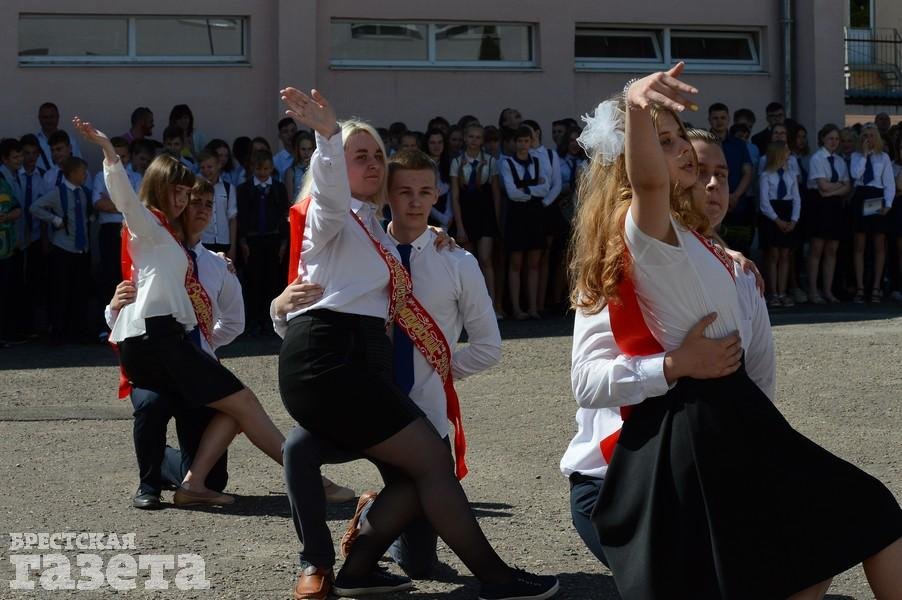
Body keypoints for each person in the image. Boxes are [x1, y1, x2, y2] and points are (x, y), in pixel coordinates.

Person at [572, 64, 901, 599]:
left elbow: (757, 361)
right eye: (663, 142)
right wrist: (634, 103)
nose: (682, 151)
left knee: (828, 538)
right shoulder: (648, 227)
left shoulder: (697, 242)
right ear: (631, 162)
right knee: (857, 518)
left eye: (678, 137)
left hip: (737, 411)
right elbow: (650, 184)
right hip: (703, 420)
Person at [274, 87, 558, 599]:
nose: (372, 163)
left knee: (420, 545)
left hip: (369, 373)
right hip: (337, 363)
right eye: (359, 156)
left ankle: (359, 569)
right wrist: (328, 137)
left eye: (377, 155)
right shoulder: (331, 212)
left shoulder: (380, 233)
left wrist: (439, 239)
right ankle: (494, 577)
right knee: (418, 463)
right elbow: (329, 206)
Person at [280, 149, 504, 595]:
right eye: (403, 191)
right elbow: (314, 314)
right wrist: (277, 306)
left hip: (419, 415)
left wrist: (436, 371)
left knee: (420, 564)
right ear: (386, 194)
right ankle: (315, 563)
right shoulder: (363, 250)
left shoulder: (456, 261)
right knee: (297, 449)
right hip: (363, 403)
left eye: (425, 191)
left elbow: (488, 347)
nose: (415, 202)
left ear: (437, 195)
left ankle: (372, 515)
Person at [562, 127, 774, 567]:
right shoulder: (613, 267)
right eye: (697, 170)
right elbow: (587, 383)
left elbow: (758, 382)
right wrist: (674, 364)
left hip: (705, 473)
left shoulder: (741, 275)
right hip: (615, 481)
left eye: (722, 174)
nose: (712, 184)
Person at [73, 116, 287, 506]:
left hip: (175, 342)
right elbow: (124, 199)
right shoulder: (148, 225)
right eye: (179, 192)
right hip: (155, 340)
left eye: (190, 195)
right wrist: (107, 152)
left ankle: (187, 477)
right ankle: (307, 479)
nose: (185, 201)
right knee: (238, 400)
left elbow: (224, 319)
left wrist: (205, 344)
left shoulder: (178, 242)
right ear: (158, 187)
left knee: (225, 444)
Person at [29, 157, 93, 344]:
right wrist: (55, 220)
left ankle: (78, 331)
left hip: (82, 249)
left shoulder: (84, 192)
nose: (85, 175)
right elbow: (35, 207)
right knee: (60, 291)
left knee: (80, 291)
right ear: (72, 174)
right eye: (82, 172)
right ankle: (58, 332)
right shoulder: (58, 193)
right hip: (63, 248)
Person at [498, 125, 550, 320]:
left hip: (535, 215)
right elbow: (512, 193)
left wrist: (525, 190)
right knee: (516, 263)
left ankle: (534, 308)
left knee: (534, 263)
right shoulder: (507, 163)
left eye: (526, 141)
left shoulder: (538, 161)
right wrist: (533, 189)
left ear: (531, 142)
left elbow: (545, 189)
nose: (522, 145)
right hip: (517, 216)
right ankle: (517, 308)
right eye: (519, 141)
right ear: (514, 143)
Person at [450, 123, 501, 313]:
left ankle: (492, 305)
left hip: (485, 213)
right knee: (469, 262)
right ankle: (471, 307)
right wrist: (460, 226)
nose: (474, 140)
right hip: (466, 213)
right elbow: (455, 197)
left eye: (478, 137)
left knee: (486, 258)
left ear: (482, 140)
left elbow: (496, 194)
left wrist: (496, 221)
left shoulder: (490, 161)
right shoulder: (457, 162)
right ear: (465, 138)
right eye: (471, 136)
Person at [237, 149, 289, 334]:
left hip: (273, 239)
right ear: (253, 168)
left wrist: (284, 242)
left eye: (266, 168)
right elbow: (242, 216)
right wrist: (243, 241)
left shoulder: (278, 188)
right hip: (253, 240)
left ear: (271, 168)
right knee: (254, 280)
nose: (262, 173)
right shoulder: (244, 189)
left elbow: (284, 215)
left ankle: (269, 319)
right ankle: (253, 319)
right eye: (259, 169)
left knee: (272, 279)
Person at [92, 137, 143, 321]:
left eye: (124, 156)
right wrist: (125, 204)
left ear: (129, 156)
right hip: (108, 230)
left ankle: (129, 318)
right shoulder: (100, 176)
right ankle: (105, 323)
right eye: (116, 155)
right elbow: (98, 203)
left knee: (128, 275)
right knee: (107, 273)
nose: (120, 159)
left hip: (131, 229)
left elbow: (138, 205)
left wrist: (115, 203)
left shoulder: (136, 177)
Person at [849, 123, 896, 303]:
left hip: (877, 197)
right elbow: (856, 175)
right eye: (864, 136)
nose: (868, 139)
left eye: (871, 135)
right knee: (859, 245)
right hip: (861, 196)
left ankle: (876, 286)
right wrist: (864, 155)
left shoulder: (883, 157)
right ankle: (860, 287)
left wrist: (888, 204)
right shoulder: (855, 156)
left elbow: (889, 182)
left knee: (879, 245)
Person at [806, 124, 851, 304]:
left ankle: (827, 290)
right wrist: (839, 186)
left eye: (837, 139)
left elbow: (847, 187)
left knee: (832, 249)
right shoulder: (817, 158)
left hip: (835, 206)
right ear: (823, 139)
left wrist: (834, 190)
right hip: (819, 206)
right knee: (817, 249)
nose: (834, 142)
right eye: (830, 138)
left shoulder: (840, 161)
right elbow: (822, 186)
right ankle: (813, 290)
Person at [759, 142, 801, 307]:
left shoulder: (791, 174)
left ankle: (783, 292)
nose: (789, 155)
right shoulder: (766, 175)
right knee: (773, 255)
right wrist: (777, 220)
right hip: (773, 216)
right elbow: (764, 203)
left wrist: (794, 220)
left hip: (787, 212)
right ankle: (773, 293)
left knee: (785, 255)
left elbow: (796, 198)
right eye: (786, 152)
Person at [17, 134, 49, 337]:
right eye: (26, 153)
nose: (30, 158)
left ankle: (35, 326)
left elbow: (45, 208)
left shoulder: (43, 176)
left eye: (34, 153)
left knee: (36, 280)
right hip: (17, 236)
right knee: (17, 281)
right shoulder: (12, 175)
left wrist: (45, 239)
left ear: (39, 154)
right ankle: (20, 325)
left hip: (37, 236)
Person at [197, 150, 238, 259]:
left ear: (219, 165)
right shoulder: (196, 189)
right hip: (203, 242)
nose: (206, 171)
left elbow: (232, 219)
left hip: (224, 242)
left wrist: (233, 247)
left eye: (209, 167)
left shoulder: (229, 188)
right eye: (202, 167)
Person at [0, 167, 23, 347]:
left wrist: (6, 216)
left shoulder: (4, 186)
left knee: (5, 293)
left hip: (5, 250)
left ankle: (5, 334)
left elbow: (18, 210)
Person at [36, 102, 83, 171]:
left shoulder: (71, 141)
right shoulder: (34, 142)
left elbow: (80, 166)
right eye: (45, 117)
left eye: (52, 117)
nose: (49, 120)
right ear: (39, 118)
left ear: (58, 117)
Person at [424, 129, 453, 230]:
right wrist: (442, 218)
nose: (437, 146)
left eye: (440, 142)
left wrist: (447, 219)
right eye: (432, 143)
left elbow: (451, 194)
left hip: (448, 216)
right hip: (427, 214)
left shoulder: (450, 163)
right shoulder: (422, 165)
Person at [284, 131, 316, 202]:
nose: (306, 153)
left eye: (309, 149)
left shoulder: (317, 170)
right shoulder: (291, 172)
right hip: (298, 207)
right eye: (303, 149)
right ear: (297, 150)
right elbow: (290, 201)